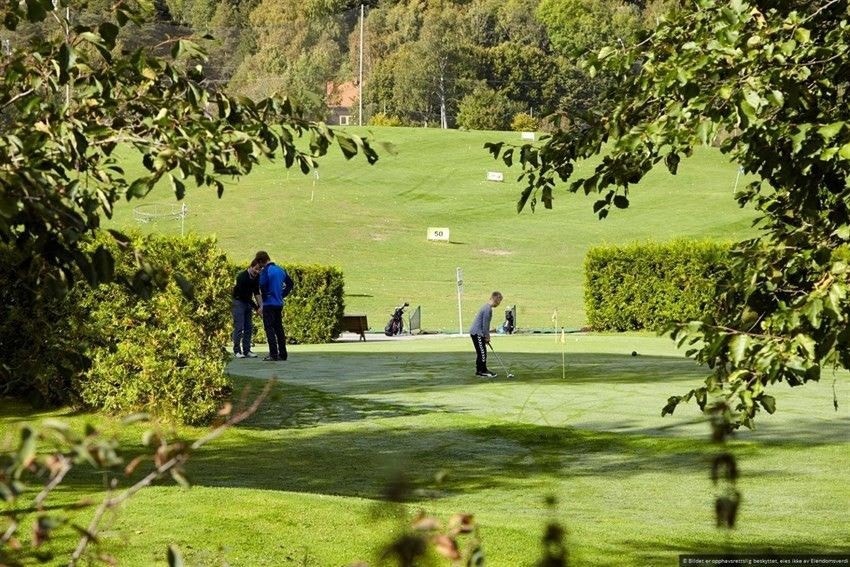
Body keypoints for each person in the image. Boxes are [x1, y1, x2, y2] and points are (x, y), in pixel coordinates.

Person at [255, 250, 289, 361]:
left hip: (269, 304)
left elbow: (262, 285)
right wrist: (282, 294)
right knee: (279, 328)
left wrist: (264, 297)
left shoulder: (265, 271)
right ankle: (283, 354)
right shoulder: (280, 269)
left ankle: (273, 354)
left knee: (269, 329)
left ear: (261, 261)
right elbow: (290, 284)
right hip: (279, 303)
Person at [231, 258, 262, 358]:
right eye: (256, 269)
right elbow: (244, 296)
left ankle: (247, 350)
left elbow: (256, 292)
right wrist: (256, 308)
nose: (257, 271)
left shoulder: (257, 277)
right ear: (251, 267)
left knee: (249, 327)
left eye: (259, 270)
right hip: (238, 301)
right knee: (239, 327)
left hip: (248, 302)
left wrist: (261, 307)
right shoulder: (242, 277)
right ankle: (237, 351)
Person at [469, 291, 502, 377]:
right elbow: (485, 325)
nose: (499, 304)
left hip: (477, 333)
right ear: (497, 300)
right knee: (482, 353)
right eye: (500, 301)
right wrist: (487, 336)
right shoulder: (488, 309)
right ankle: (482, 371)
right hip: (477, 333)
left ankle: (481, 370)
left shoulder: (486, 307)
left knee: (481, 352)